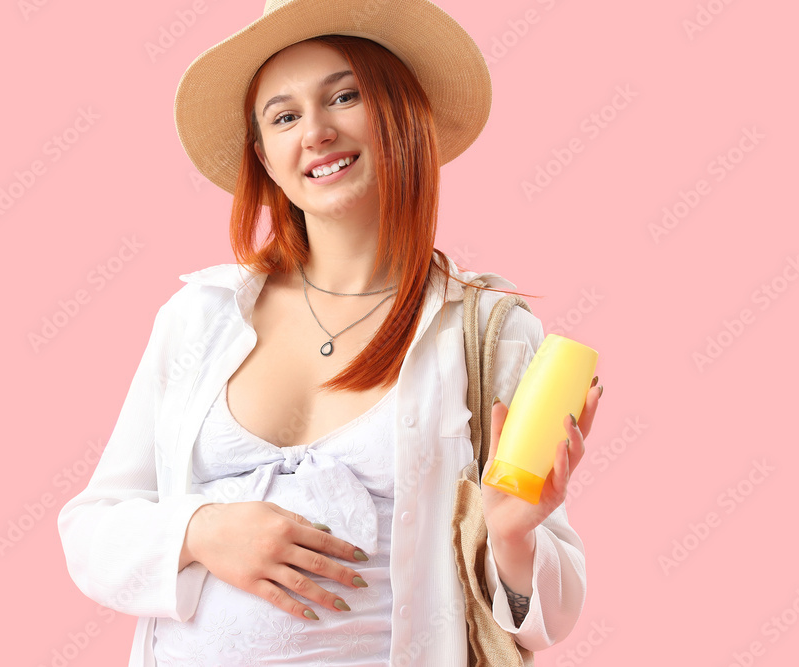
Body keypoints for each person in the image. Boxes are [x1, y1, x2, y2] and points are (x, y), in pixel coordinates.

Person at [58, 1, 604, 665]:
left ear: (402, 110)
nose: (314, 131)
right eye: (284, 115)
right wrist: (200, 530)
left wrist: (514, 537)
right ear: (265, 156)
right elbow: (91, 531)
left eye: (343, 96)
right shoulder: (199, 317)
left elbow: (548, 615)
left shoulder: (488, 333)